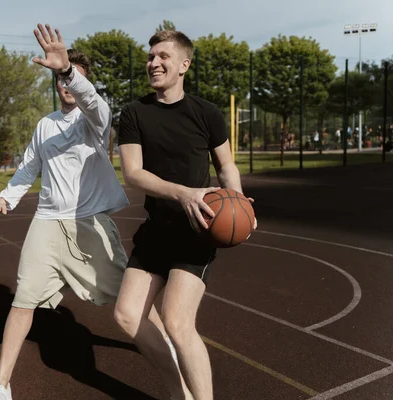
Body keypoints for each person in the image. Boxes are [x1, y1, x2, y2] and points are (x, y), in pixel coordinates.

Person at [0, 23, 132, 400]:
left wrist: (67, 69)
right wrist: (6, 198)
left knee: (133, 300)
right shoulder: (45, 124)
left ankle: (169, 341)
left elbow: (93, 102)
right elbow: (29, 167)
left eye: (74, 78)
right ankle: (0, 385)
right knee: (23, 300)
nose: (67, 85)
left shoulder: (95, 120)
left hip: (89, 223)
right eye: (62, 78)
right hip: (46, 224)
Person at [114, 29, 257, 400]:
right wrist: (183, 193)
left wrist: (239, 202)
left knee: (177, 322)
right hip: (157, 230)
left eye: (162, 56)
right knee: (128, 316)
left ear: (183, 65)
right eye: (150, 57)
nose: (153, 63)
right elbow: (133, 173)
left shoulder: (207, 113)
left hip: (197, 229)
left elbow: (226, 168)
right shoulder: (133, 113)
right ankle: (180, 393)